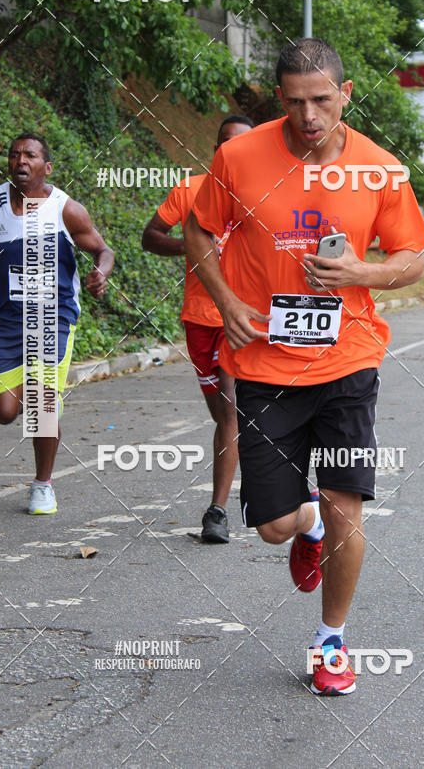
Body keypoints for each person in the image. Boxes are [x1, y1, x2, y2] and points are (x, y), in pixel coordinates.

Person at [184, 38, 424, 695]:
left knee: (349, 505)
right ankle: (306, 521)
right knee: (271, 527)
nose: (309, 115)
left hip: (349, 359)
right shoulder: (239, 156)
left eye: (322, 99)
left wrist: (361, 273)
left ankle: (330, 641)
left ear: (345, 93)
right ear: (279, 99)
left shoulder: (379, 169)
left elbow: (413, 257)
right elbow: (197, 229)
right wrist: (226, 300)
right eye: (295, 102)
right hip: (266, 364)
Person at [0, 133, 114, 515]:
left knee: (40, 406)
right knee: (4, 412)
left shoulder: (65, 209)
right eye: (14, 154)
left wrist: (101, 272)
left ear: (46, 167)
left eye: (30, 155)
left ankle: (42, 485)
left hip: (54, 316)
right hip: (8, 320)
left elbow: (103, 249)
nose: (21, 161)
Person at [142, 115, 254, 543]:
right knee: (225, 416)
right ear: (216, 149)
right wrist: (191, 246)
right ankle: (253, 465)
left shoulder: (270, 195)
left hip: (245, 318)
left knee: (229, 408)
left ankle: (217, 511)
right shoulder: (191, 190)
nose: (234, 151)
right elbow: (151, 236)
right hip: (199, 319)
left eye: (244, 144)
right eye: (226, 143)